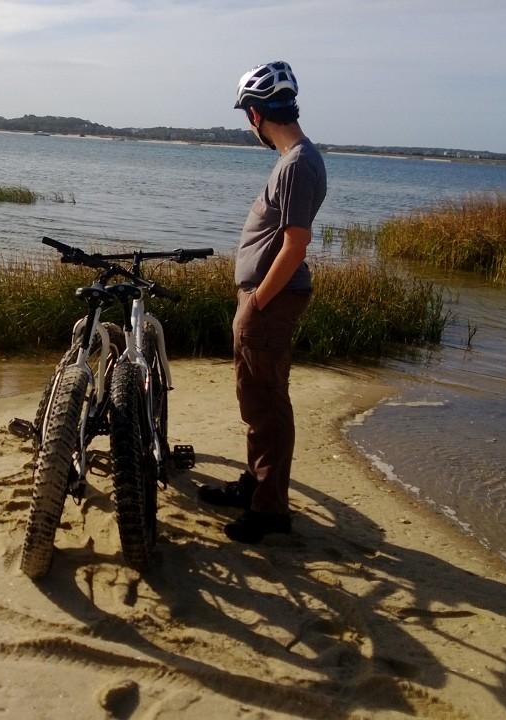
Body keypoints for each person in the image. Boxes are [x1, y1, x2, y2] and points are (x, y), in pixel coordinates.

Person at [198, 61, 327, 543]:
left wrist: (256, 304)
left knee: (268, 405)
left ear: (255, 115)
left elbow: (296, 244)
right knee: (256, 399)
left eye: (246, 115)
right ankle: (256, 486)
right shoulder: (297, 160)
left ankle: (270, 510)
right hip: (265, 298)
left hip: (271, 301)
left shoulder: (296, 163)